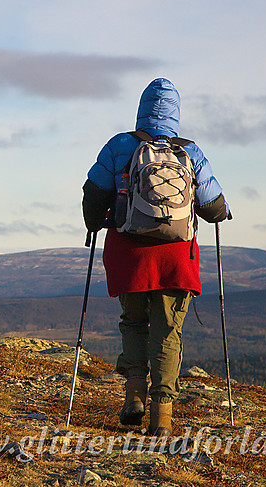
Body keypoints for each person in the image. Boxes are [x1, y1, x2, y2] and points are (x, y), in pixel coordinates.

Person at [82, 77, 229, 436]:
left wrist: (94, 223)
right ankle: (162, 417)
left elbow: (93, 192)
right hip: (175, 258)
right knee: (167, 331)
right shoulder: (190, 151)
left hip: (129, 253)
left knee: (133, 322)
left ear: (141, 110)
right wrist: (221, 212)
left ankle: (134, 396)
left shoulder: (120, 145)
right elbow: (213, 208)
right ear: (176, 114)